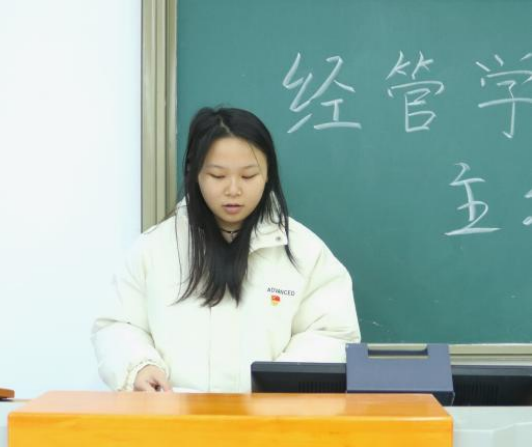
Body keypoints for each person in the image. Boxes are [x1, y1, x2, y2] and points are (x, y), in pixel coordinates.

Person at [91, 107, 360, 393]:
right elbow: (117, 325)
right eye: (218, 176)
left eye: (248, 176)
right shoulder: (154, 248)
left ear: (268, 175)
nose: (233, 189)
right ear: (195, 174)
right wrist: (139, 366)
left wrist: (280, 382)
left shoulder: (305, 252)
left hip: (270, 417)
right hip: (175, 416)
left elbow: (331, 333)